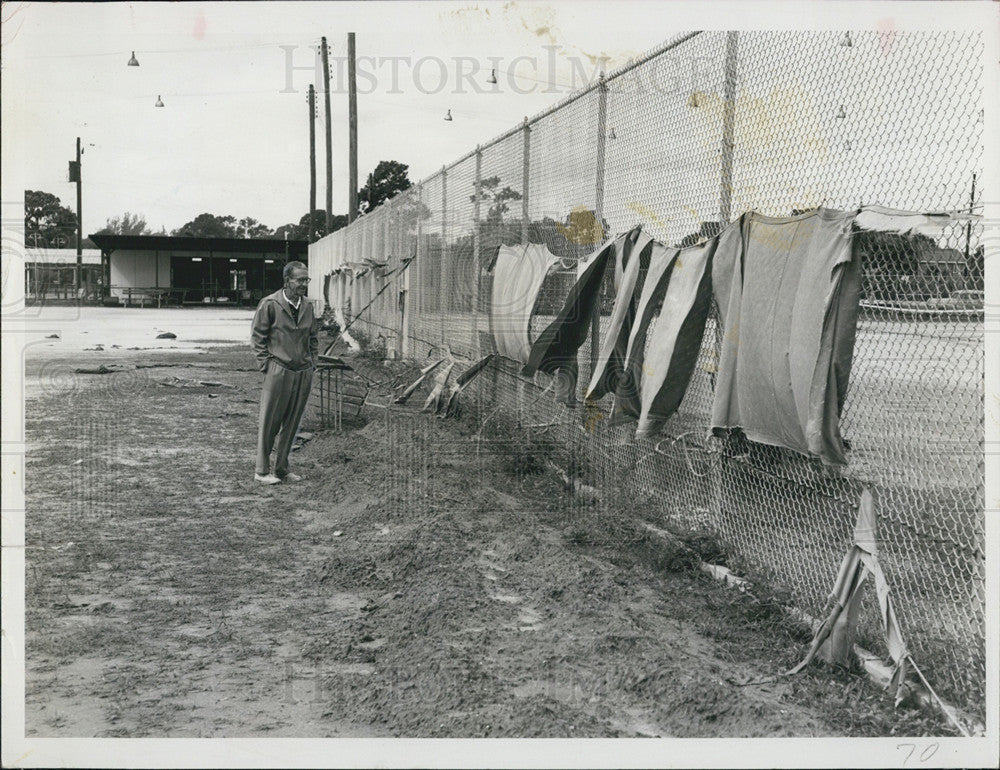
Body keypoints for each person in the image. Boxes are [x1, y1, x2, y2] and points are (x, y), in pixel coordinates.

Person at [251, 261, 318, 484]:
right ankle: (261, 471)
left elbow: (313, 337)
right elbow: (258, 337)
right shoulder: (269, 304)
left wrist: (312, 363)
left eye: (306, 280)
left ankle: (281, 469)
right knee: (270, 420)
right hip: (278, 369)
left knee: (293, 422)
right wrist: (266, 365)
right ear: (287, 280)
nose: (303, 284)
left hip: (302, 371)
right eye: (299, 280)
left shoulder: (308, 306)